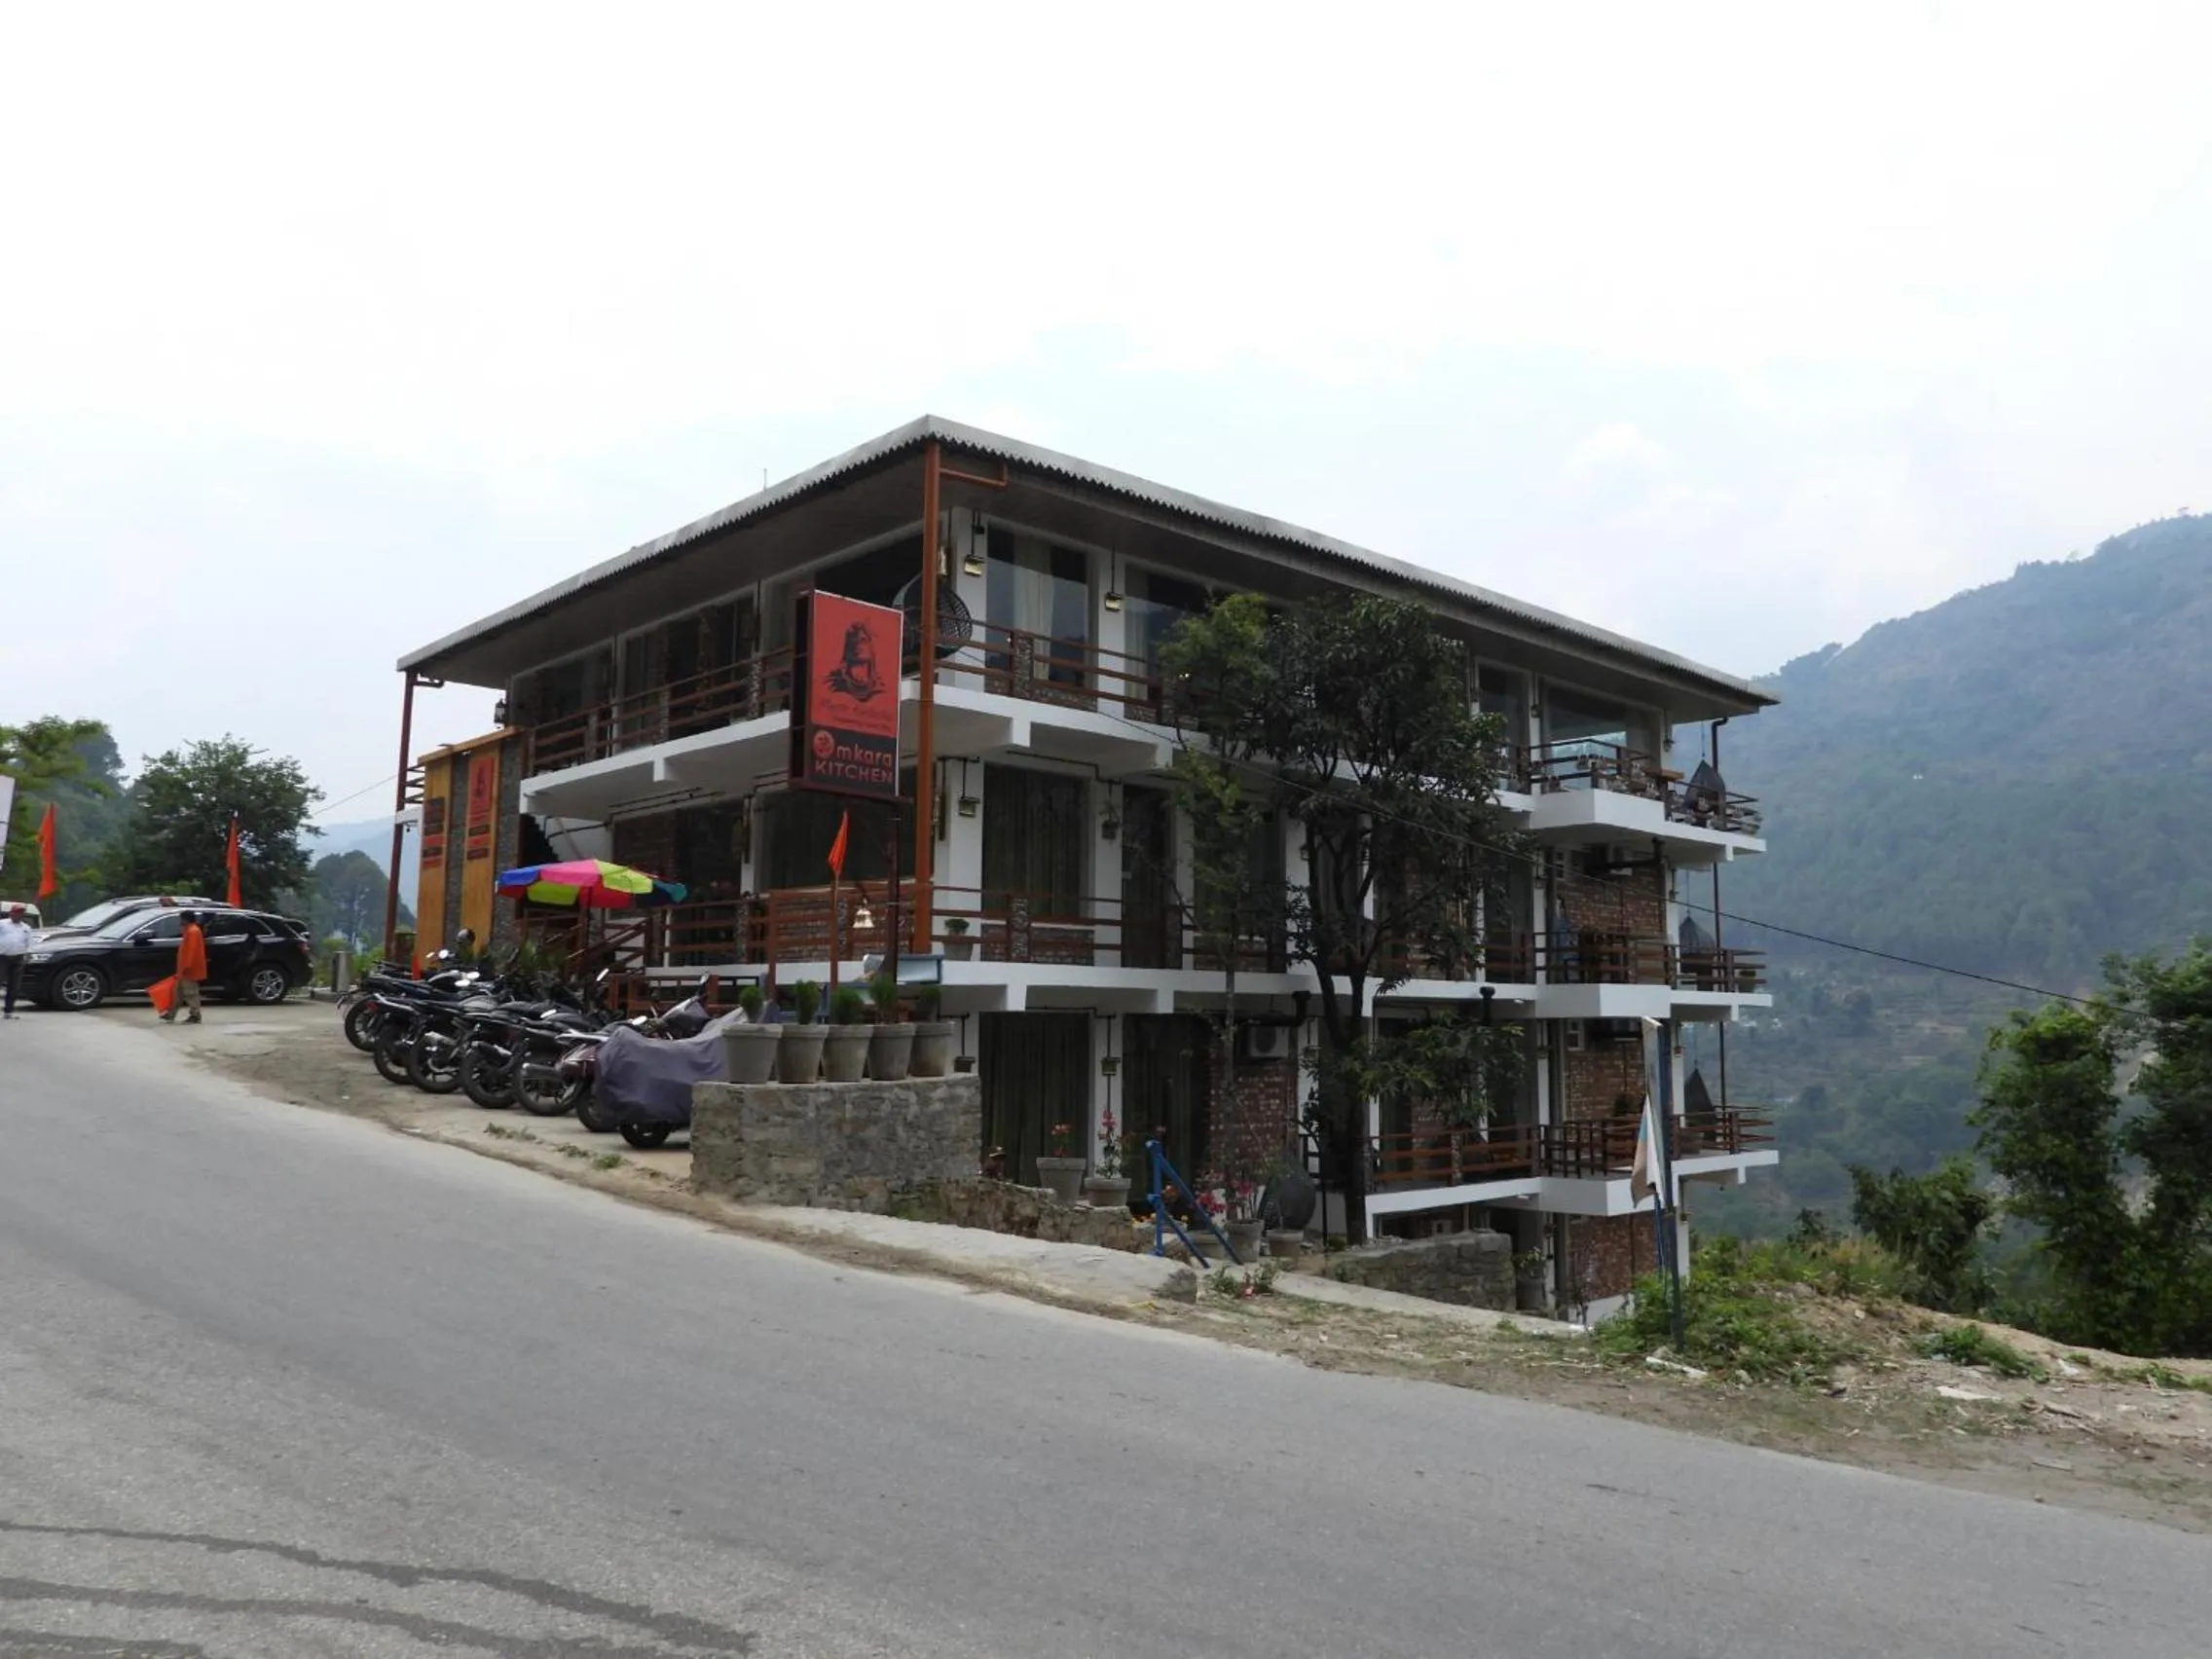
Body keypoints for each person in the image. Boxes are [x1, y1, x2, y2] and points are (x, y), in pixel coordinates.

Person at [162, 908, 208, 1024]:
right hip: (184, 969)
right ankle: (171, 1013)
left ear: (186, 919)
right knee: (177, 992)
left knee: (190, 992)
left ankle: (195, 1014)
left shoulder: (192, 931)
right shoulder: (190, 930)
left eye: (181, 918)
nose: (180, 921)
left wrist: (186, 967)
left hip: (189, 969)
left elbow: (191, 951)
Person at [0, 903, 32, 1018]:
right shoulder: (2, 924)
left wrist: (27, 956)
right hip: (2, 957)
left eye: (21, 913)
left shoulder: (26, 928)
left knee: (14, 986)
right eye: (17, 912)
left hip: (18, 958)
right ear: (11, 913)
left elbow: (29, 944)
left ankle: (8, 1012)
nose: (18, 915)